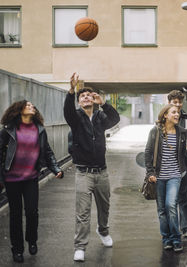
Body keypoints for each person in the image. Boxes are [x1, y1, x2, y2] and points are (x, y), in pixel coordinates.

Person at [0, 100, 63, 263]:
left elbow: (47, 151)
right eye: (28, 105)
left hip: (31, 178)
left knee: (32, 212)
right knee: (15, 215)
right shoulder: (8, 130)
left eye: (33, 106)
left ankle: (32, 240)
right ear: (19, 109)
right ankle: (17, 249)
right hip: (11, 179)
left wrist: (56, 169)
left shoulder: (39, 129)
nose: (32, 107)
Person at [64, 73, 120, 262]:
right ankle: (80, 246)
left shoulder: (100, 117)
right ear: (79, 102)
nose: (86, 97)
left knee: (104, 207)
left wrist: (103, 103)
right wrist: (71, 91)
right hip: (83, 173)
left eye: (89, 95)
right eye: (83, 96)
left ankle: (103, 231)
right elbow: (67, 111)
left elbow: (115, 119)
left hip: (102, 172)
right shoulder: (76, 118)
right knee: (83, 212)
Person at [145, 104, 187, 252]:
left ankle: (176, 238)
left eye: (178, 112)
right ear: (165, 115)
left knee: (171, 206)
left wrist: (186, 170)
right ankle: (166, 238)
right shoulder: (155, 132)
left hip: (175, 175)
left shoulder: (181, 132)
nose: (177, 114)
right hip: (158, 177)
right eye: (174, 112)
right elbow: (148, 152)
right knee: (162, 209)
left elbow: (185, 154)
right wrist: (150, 173)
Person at [167, 90, 187, 237]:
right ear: (169, 103)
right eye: (175, 102)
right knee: (169, 197)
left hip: (185, 162)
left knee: (185, 194)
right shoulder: (163, 119)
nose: (178, 105)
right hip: (167, 162)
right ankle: (170, 229)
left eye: (180, 102)